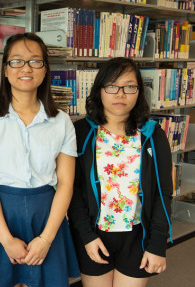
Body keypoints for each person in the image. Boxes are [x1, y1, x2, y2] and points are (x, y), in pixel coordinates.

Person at [0, 33, 80, 287]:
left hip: (46, 215)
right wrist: (6, 239)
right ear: (5, 69)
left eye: (35, 61)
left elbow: (66, 185)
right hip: (0, 214)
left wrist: (46, 239)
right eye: (16, 61)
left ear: (45, 69)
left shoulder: (61, 122)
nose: (26, 68)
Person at [68, 57, 173, 287]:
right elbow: (72, 191)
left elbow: (163, 194)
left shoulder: (153, 135)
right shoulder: (80, 132)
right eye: (112, 86)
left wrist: (157, 245)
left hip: (137, 236)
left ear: (139, 92)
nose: (120, 94)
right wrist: (87, 236)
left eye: (129, 86)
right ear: (100, 90)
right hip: (94, 236)